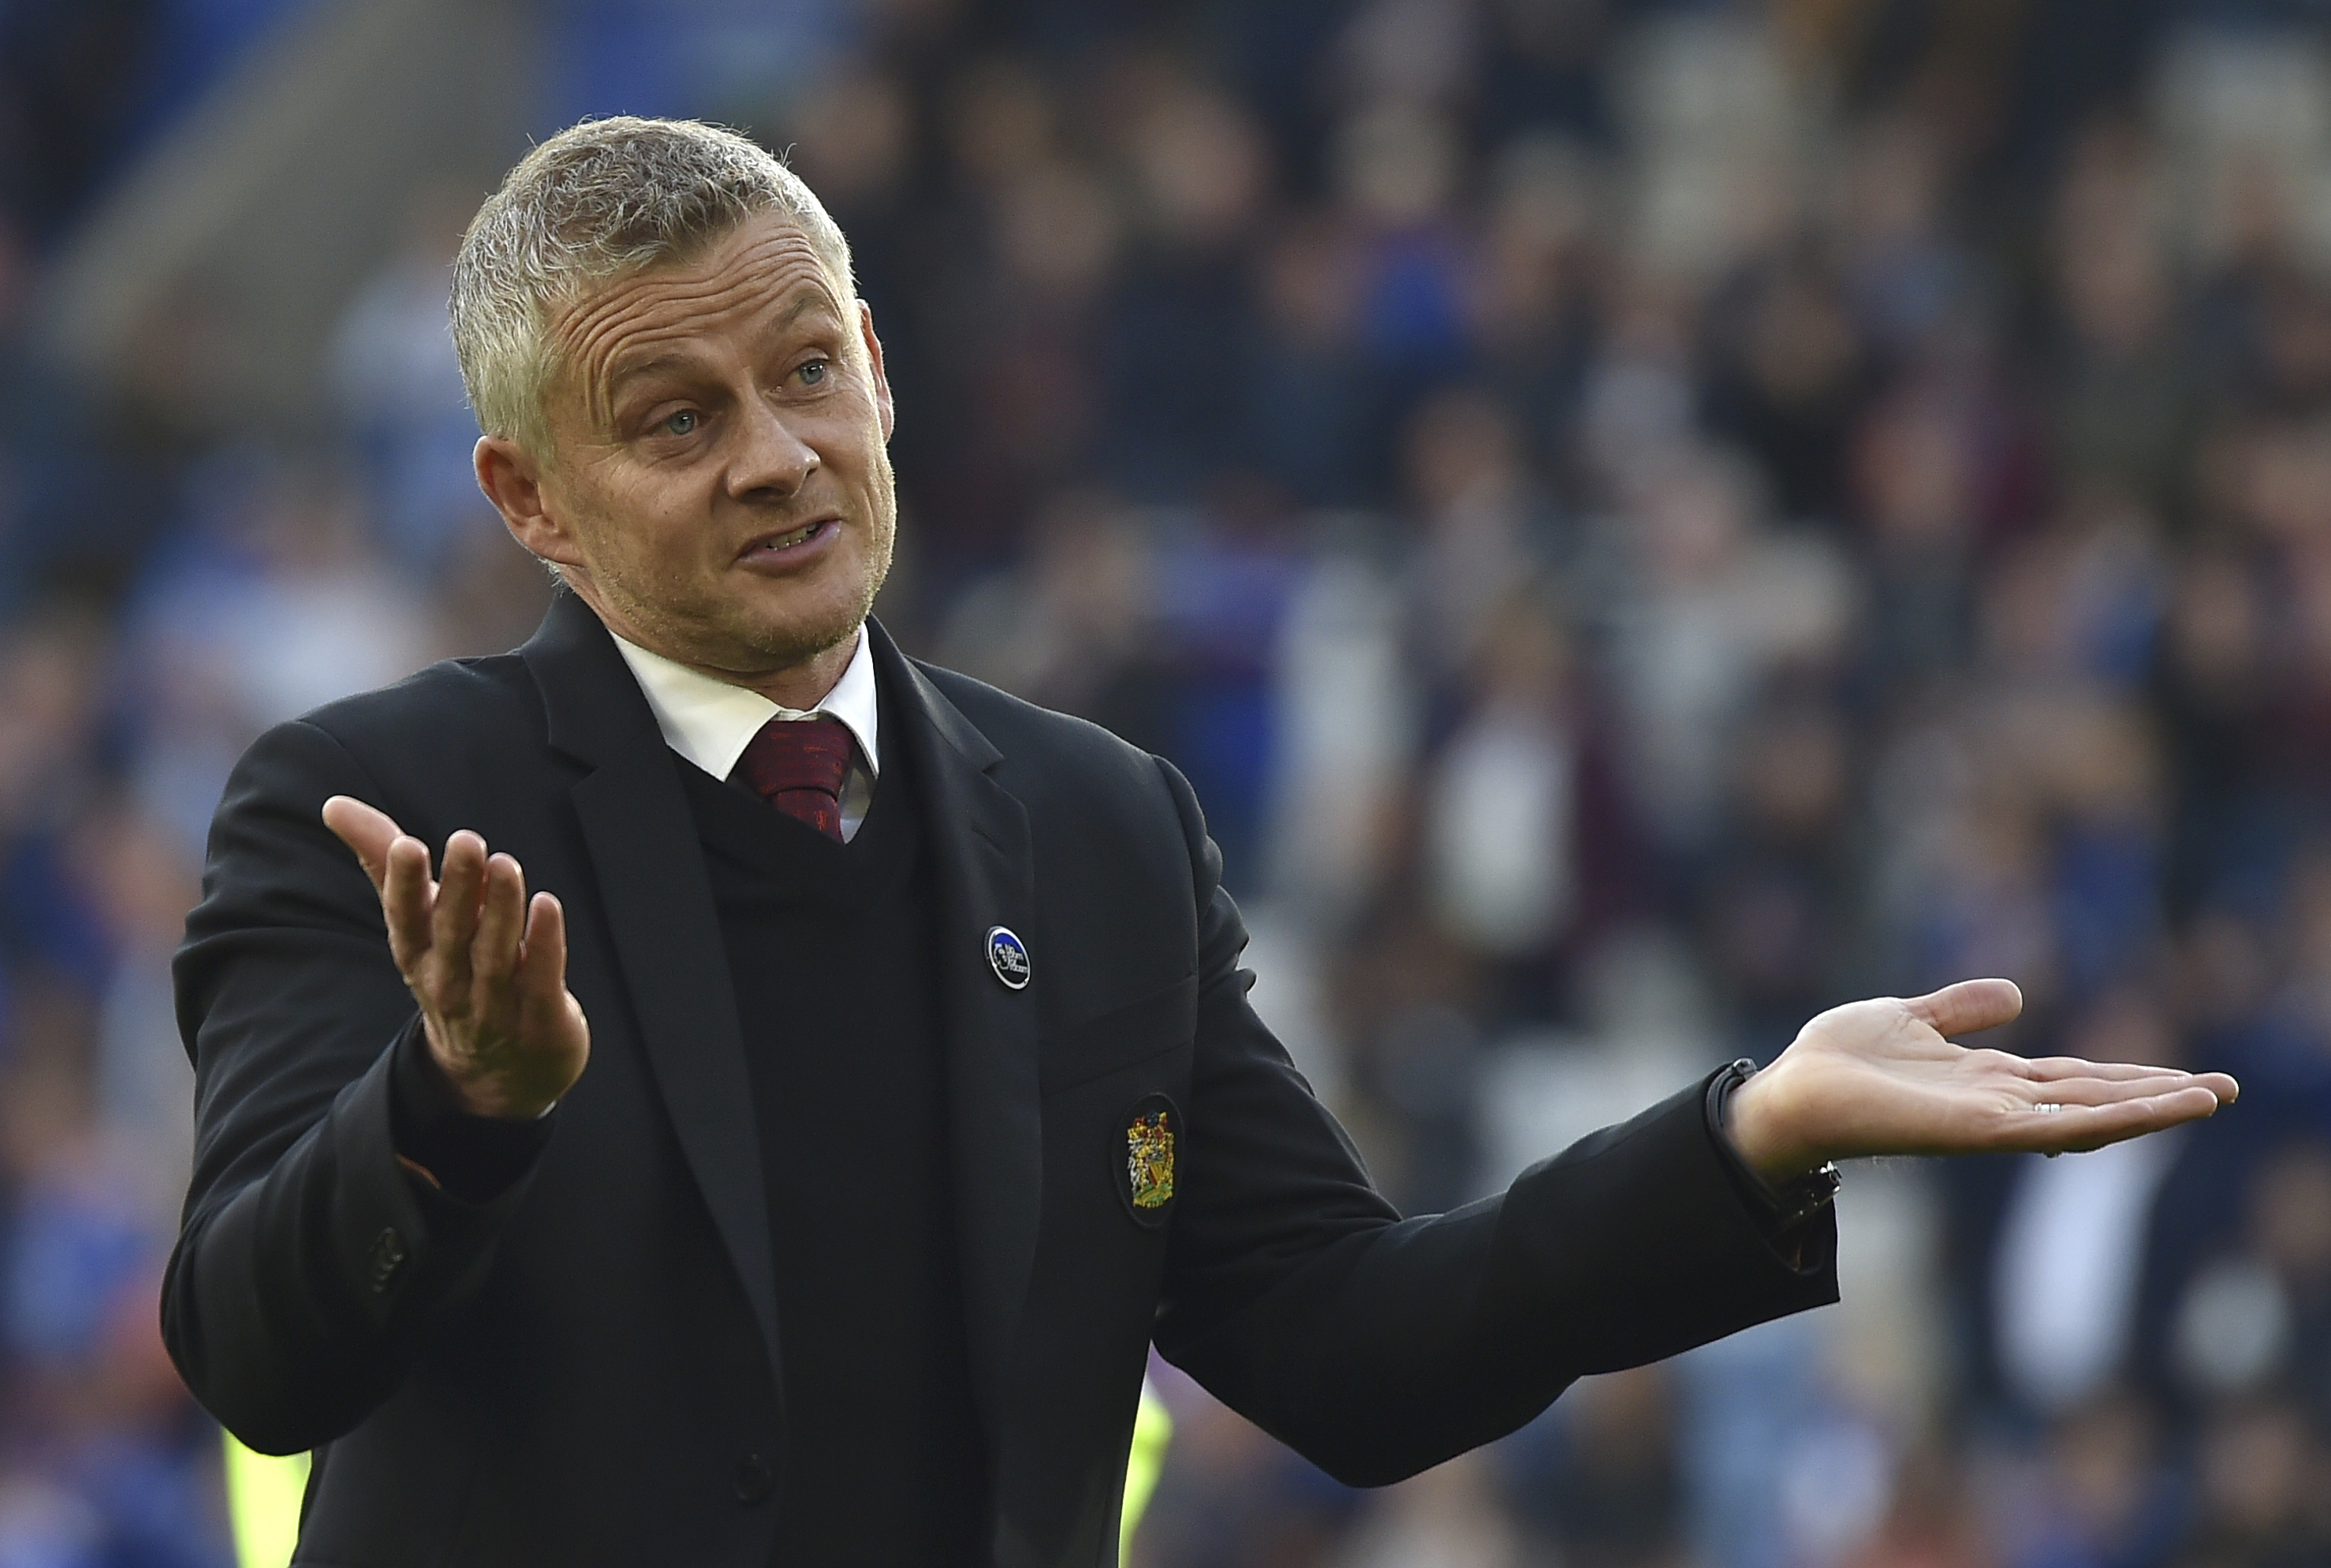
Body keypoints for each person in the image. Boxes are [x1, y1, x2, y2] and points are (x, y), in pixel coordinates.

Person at [162, 117, 2236, 1567]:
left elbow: (1349, 1347)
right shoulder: (384, 812)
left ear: (880, 370)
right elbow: (256, 1353)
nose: (777, 456)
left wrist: (1746, 1138)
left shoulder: (1092, 826)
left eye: (807, 373)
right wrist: (451, 1111)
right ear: (528, 499)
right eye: (675, 417)